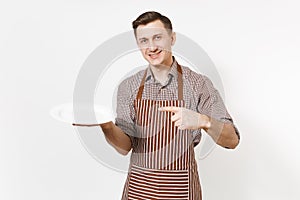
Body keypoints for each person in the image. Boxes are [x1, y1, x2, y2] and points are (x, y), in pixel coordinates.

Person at [75, 11, 240, 200]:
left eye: (157, 38)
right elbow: (124, 147)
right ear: (138, 44)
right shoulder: (128, 86)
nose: (151, 47)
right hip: (138, 191)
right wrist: (106, 125)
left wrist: (203, 120)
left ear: (172, 38)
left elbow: (232, 140)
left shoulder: (198, 84)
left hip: (180, 191)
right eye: (144, 40)